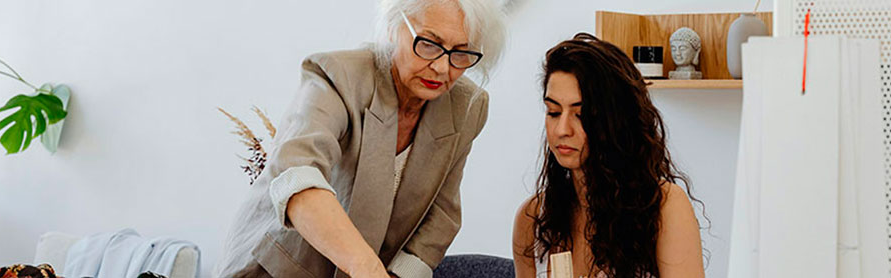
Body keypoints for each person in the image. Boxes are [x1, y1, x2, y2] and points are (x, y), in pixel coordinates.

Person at [216, 0, 505, 277]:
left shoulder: (467, 106)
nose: (442, 68)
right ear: (394, 27)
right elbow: (298, 178)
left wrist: (398, 275)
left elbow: (442, 214)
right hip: (278, 269)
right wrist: (366, 267)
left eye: (461, 53)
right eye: (428, 44)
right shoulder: (338, 76)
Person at [512, 33, 704, 278]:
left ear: (615, 121)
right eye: (553, 112)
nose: (562, 130)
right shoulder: (532, 218)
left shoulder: (664, 208)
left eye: (580, 115)